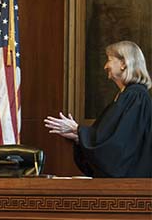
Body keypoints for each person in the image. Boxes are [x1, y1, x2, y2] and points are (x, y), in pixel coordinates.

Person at [44, 41, 152, 178]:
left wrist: (79, 130)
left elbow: (120, 143)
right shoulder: (126, 95)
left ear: (124, 63)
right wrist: (79, 137)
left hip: (131, 184)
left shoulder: (136, 96)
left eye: (109, 60)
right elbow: (108, 136)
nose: (105, 66)